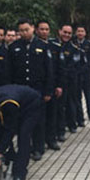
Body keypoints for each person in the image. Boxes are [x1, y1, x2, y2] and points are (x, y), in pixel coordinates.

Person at [5, 18, 54, 161]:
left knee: (38, 120)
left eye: (26, 30)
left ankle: (38, 148)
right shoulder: (13, 47)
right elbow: (9, 71)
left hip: (37, 89)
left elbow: (49, 70)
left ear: (33, 28)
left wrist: (48, 91)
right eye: (21, 31)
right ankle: (25, 148)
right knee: (22, 121)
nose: (24, 33)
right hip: (20, 90)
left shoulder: (42, 46)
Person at [37, 20, 63, 151]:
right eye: (42, 29)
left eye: (46, 29)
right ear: (37, 30)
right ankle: (39, 143)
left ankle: (51, 140)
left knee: (52, 115)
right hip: (39, 87)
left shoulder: (55, 47)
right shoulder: (34, 46)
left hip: (52, 86)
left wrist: (59, 85)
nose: (44, 32)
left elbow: (59, 68)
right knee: (40, 117)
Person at [75, 26, 90, 122]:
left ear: (85, 33)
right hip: (76, 74)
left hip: (86, 74)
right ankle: (79, 116)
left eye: (82, 31)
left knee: (89, 95)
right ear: (76, 33)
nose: (80, 33)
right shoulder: (73, 44)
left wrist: (88, 68)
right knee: (77, 96)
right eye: (78, 31)